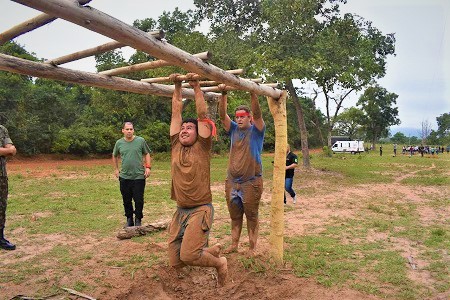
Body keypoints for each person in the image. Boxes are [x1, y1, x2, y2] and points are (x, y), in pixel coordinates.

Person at [167, 73, 228, 287]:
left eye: (189, 128)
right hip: (180, 210)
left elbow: (202, 116)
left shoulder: (202, 146)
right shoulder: (176, 144)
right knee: (176, 261)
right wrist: (176, 85)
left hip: (200, 209)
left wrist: (196, 87)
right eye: (183, 128)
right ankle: (208, 251)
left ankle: (220, 263)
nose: (184, 130)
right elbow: (176, 112)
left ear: (198, 133)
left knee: (189, 256)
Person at [219, 89, 265, 256]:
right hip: (232, 182)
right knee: (235, 216)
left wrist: (254, 93)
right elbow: (222, 115)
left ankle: (252, 247)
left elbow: (258, 115)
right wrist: (223, 95)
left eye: (242, 116)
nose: (238, 119)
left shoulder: (256, 131)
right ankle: (234, 245)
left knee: (252, 216)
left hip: (251, 182)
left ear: (249, 118)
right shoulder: (233, 130)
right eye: (237, 116)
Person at [112, 122, 151, 227]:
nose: (129, 131)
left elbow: (147, 153)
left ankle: (138, 219)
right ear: (123, 130)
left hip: (139, 176)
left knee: (138, 199)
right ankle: (129, 219)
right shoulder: (119, 143)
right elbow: (114, 155)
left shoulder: (140, 141)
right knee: (126, 199)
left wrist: (148, 167)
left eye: (131, 129)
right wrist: (116, 169)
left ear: (133, 130)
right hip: (124, 176)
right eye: (127, 129)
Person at [0, 124, 17, 250]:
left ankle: (0, 238)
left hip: (1, 175)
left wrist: (8, 150)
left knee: (1, 206)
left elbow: (13, 150)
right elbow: (9, 150)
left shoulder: (2, 129)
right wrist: (7, 150)